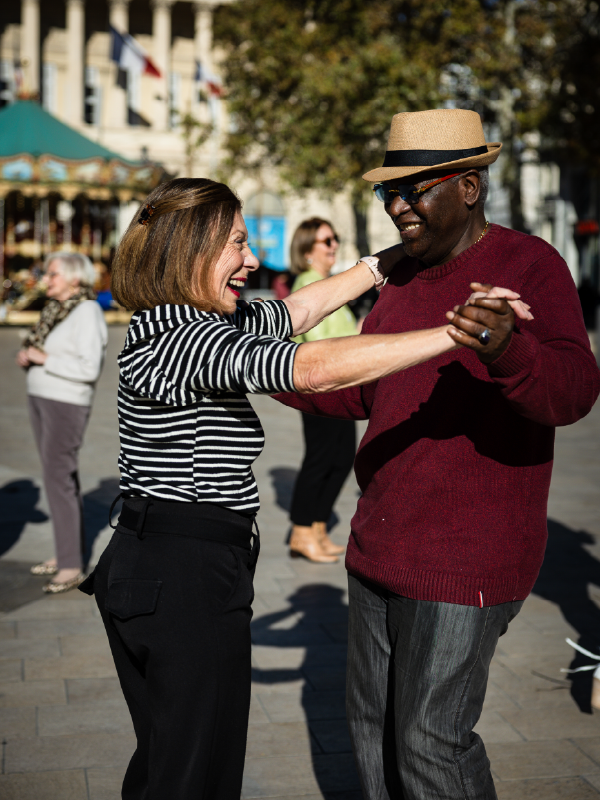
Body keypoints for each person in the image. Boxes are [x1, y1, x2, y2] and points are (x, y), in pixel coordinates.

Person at [78, 176, 494, 800]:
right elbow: (310, 367)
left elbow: (297, 313)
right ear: (191, 250)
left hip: (164, 565)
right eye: (238, 243)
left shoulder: (192, 319)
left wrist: (386, 261)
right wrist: (454, 334)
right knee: (196, 775)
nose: (252, 259)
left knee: (172, 762)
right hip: (183, 571)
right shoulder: (179, 336)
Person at [274, 108, 600, 800]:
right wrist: (282, 378)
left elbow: (572, 393)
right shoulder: (397, 281)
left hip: (467, 555)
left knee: (430, 741)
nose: (397, 206)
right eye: (388, 192)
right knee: (371, 729)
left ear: (470, 187)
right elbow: (369, 395)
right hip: (378, 545)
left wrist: (510, 348)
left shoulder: (528, 263)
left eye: (414, 189)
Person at [16, 252, 108, 593]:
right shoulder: (57, 310)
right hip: (42, 398)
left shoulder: (87, 311)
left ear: (73, 277)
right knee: (55, 479)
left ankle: (70, 565)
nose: (47, 279)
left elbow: (88, 369)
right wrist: (30, 357)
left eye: (53, 274)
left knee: (60, 479)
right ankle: (63, 553)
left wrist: (45, 358)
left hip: (65, 404)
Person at [288, 218, 358, 563]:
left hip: (341, 386)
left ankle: (316, 528)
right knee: (320, 460)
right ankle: (302, 531)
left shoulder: (327, 283)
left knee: (341, 459)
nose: (333, 246)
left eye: (335, 238)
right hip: (320, 388)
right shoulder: (308, 283)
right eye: (326, 240)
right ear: (306, 249)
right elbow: (317, 340)